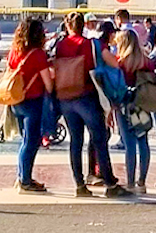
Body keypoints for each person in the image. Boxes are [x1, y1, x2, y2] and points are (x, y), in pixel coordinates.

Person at [50, 12, 126, 198]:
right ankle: (109, 183)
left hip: (66, 96)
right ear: (83, 25)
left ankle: (80, 184)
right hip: (87, 95)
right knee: (99, 139)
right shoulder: (91, 44)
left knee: (75, 141)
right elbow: (113, 64)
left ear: (67, 26)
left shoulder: (60, 45)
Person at [6, 15, 54, 194]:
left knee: (25, 141)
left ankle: (22, 176)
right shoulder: (38, 54)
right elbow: (48, 84)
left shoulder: (14, 51)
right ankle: (25, 180)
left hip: (16, 99)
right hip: (32, 100)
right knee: (31, 141)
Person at [112, 28, 152, 194]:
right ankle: (142, 181)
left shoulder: (120, 63)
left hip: (124, 106)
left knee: (129, 144)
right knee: (143, 141)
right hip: (142, 104)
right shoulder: (146, 61)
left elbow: (115, 86)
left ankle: (130, 181)